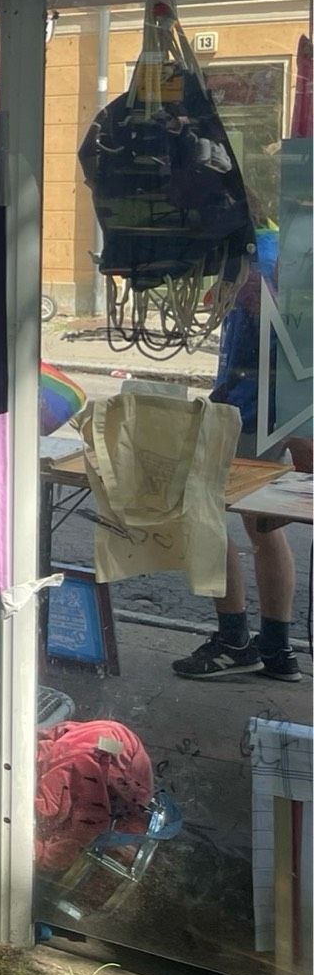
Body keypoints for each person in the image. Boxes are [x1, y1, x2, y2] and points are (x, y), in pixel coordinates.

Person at [174, 217, 301, 682]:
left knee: (205, 515)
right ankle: (278, 649)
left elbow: (286, 343)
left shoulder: (256, 261)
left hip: (250, 411)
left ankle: (234, 640)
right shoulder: (264, 249)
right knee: (263, 526)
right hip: (254, 407)